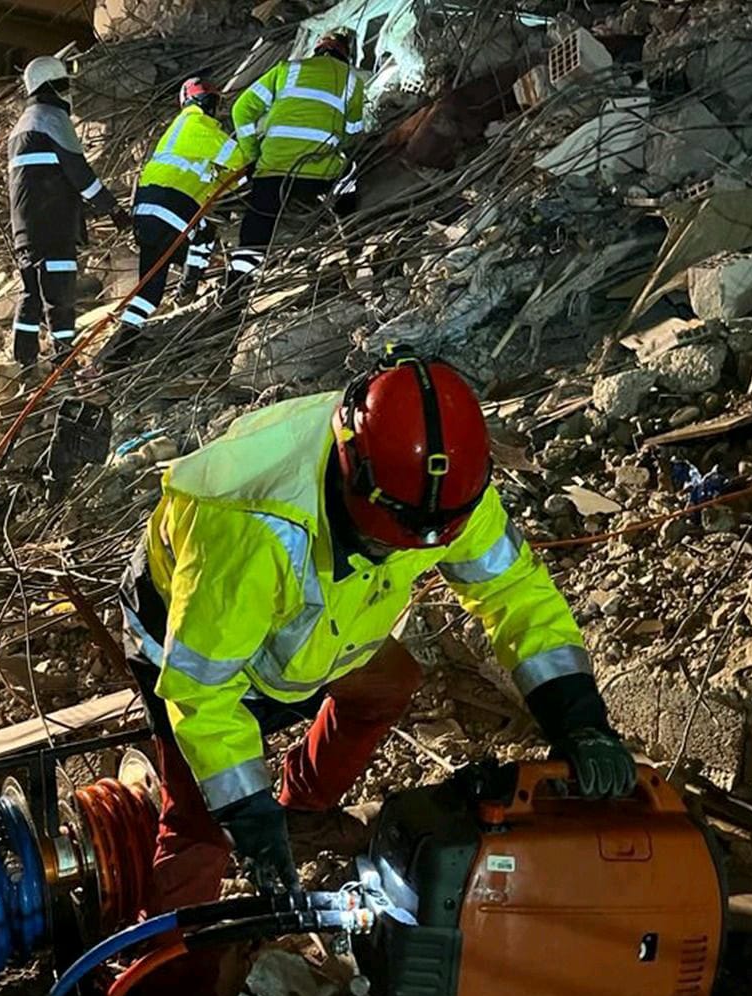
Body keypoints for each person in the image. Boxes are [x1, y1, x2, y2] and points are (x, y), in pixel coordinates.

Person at [121, 345, 636, 909]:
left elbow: (517, 595)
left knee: (390, 682)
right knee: (201, 826)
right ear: (355, 481)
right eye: (399, 539)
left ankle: (303, 813)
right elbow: (202, 690)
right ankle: (166, 976)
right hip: (195, 635)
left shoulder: (443, 490)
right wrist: (246, 811)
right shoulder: (251, 525)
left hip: (321, 622)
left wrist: (580, 721)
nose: (427, 551)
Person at [105, 76, 247, 365]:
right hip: (173, 208)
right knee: (205, 235)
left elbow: (211, 177)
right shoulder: (200, 126)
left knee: (150, 288)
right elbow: (241, 161)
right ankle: (188, 289)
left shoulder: (178, 129)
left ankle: (122, 346)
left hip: (146, 213)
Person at [8, 55, 129, 370]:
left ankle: (24, 363)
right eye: (65, 84)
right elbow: (79, 174)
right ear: (53, 85)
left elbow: (38, 180)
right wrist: (112, 208)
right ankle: (64, 359)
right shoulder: (51, 119)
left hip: (25, 229)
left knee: (31, 293)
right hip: (53, 228)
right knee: (60, 298)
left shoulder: (22, 126)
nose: (69, 92)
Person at [227, 30, 364, 288]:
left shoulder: (286, 70)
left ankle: (236, 289)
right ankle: (351, 238)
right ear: (346, 55)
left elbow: (241, 110)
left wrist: (253, 154)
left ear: (317, 51)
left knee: (257, 229)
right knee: (350, 175)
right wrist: (336, 145)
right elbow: (354, 133)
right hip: (320, 175)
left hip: (273, 172)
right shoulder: (352, 81)